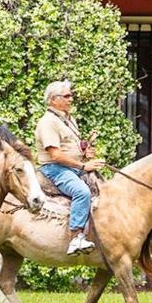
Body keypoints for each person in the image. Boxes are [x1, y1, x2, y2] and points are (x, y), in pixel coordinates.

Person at [36, 80, 105, 254]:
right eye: (66, 96)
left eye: (71, 95)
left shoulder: (68, 119)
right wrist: (84, 165)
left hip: (72, 168)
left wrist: (85, 151)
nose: (71, 99)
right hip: (54, 169)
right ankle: (76, 238)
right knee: (82, 192)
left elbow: (69, 146)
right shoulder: (48, 122)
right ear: (53, 100)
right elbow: (56, 155)